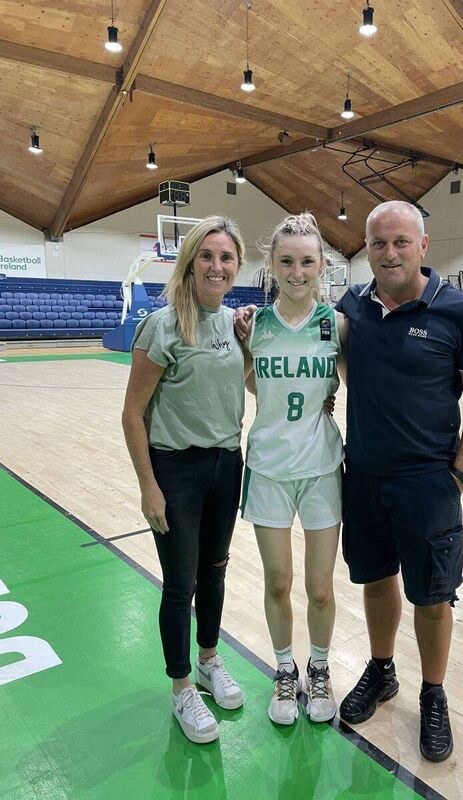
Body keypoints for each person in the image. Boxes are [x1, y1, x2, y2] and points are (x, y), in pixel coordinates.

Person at [335, 201, 463, 762]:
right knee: (375, 581)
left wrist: (460, 473)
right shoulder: (351, 306)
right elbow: (337, 361)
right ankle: (382, 672)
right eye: (378, 243)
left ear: (424, 246)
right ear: (367, 249)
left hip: (429, 484)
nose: (390, 253)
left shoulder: (459, 314)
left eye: (401, 242)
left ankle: (433, 693)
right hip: (363, 477)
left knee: (432, 596)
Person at [122, 216, 249, 744]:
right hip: (175, 470)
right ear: (190, 261)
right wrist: (149, 486)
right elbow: (132, 414)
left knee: (214, 572)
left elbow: (228, 382)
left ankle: (209, 660)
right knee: (180, 585)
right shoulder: (162, 325)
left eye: (226, 257)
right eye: (207, 256)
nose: (217, 266)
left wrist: (246, 345)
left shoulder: (233, 323)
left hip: (226, 464)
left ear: (237, 265)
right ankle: (181, 690)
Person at [241, 213, 347, 726]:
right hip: (268, 469)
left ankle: (320, 668)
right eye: (287, 261)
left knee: (321, 587)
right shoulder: (253, 325)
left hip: (323, 468)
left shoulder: (337, 323)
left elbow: (358, 387)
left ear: (321, 265)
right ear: (272, 265)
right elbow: (248, 383)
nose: (297, 271)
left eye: (307, 261)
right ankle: (285, 672)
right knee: (279, 581)